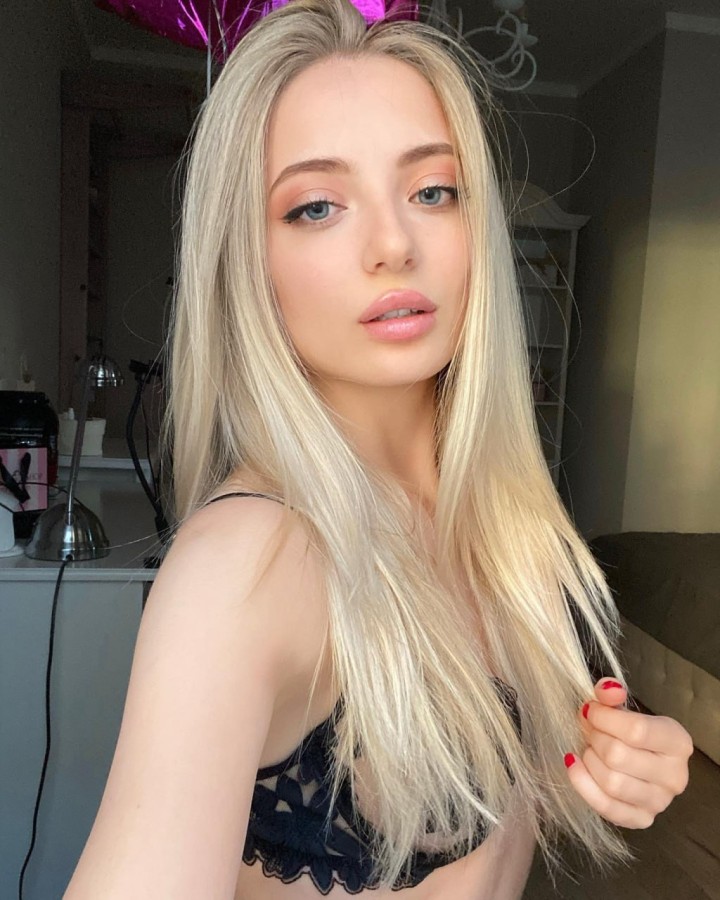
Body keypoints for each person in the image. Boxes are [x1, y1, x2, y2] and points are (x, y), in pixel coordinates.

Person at [63, 1, 693, 897]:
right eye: (317, 206)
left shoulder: (508, 522)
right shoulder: (243, 567)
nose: (394, 244)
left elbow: (499, 812)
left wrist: (619, 762)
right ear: (247, 262)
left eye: (433, 191)